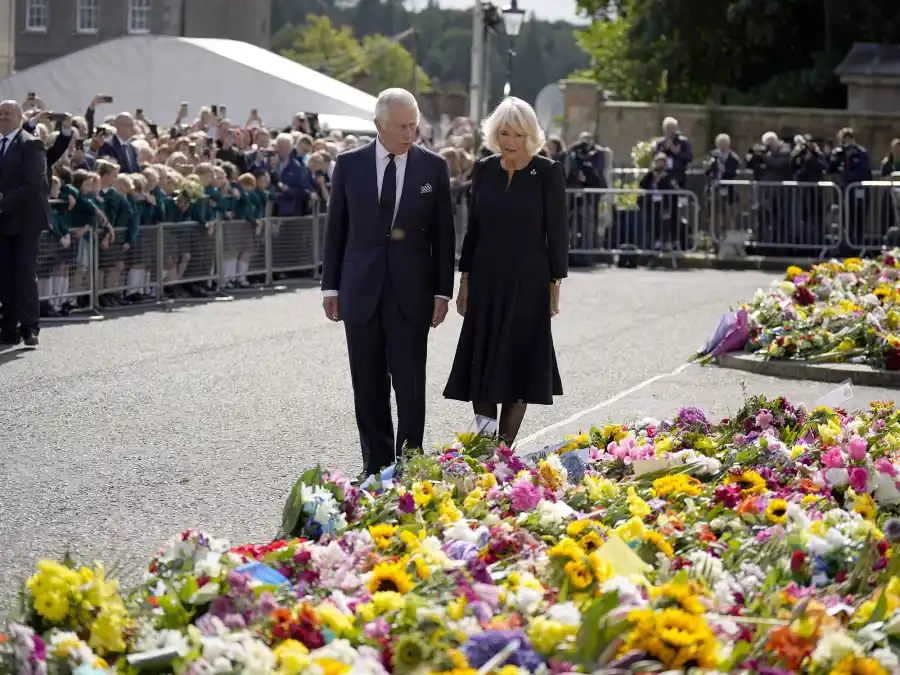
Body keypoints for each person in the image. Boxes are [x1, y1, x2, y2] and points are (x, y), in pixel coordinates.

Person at [321, 88, 456, 477]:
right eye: (401, 126)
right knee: (368, 385)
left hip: (411, 294)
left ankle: (410, 463)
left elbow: (444, 235)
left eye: (414, 125)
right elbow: (336, 229)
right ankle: (376, 465)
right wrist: (330, 287)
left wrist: (441, 291)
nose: (409, 133)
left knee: (410, 385)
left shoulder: (434, 168)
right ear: (378, 125)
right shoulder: (349, 165)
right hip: (360, 290)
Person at [443, 97, 568, 445]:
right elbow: (474, 230)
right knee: (479, 363)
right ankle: (484, 446)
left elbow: (558, 234)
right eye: (503, 133)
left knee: (519, 363)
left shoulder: (547, 171)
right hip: (486, 277)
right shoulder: (484, 169)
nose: (509, 141)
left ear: (529, 135)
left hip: (528, 281)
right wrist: (464, 279)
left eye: (516, 134)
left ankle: (503, 450)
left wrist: (554, 285)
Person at [0, 100, 51, 348]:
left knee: (23, 273)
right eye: (0, 113)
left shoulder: (31, 143)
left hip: (26, 219)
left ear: (20, 117)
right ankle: (7, 328)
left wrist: (4, 201)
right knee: (4, 275)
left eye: (8, 113)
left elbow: (34, 183)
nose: (3, 116)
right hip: (3, 219)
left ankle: (30, 327)